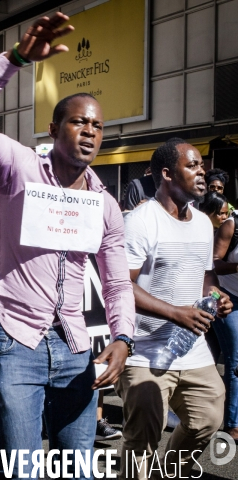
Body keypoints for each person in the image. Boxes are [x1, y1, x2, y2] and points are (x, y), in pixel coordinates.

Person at [0, 13, 135, 478]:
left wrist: (123, 338)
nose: (89, 130)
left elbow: (116, 282)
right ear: (53, 130)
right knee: (24, 470)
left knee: (79, 469)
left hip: (74, 343)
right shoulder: (18, 168)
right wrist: (14, 60)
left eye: (96, 124)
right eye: (77, 122)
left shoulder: (105, 203)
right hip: (14, 339)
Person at [118, 138, 230, 479]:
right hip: (144, 350)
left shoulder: (201, 223)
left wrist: (216, 295)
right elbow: (122, 285)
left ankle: (170, 472)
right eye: (193, 165)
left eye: (201, 165)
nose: (202, 172)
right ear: (167, 173)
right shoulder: (141, 221)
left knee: (207, 419)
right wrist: (175, 312)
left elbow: (205, 274)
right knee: (142, 441)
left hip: (191, 349)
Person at [212, 195, 238, 443]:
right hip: (227, 297)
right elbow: (215, 264)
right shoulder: (232, 224)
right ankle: (233, 424)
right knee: (235, 359)